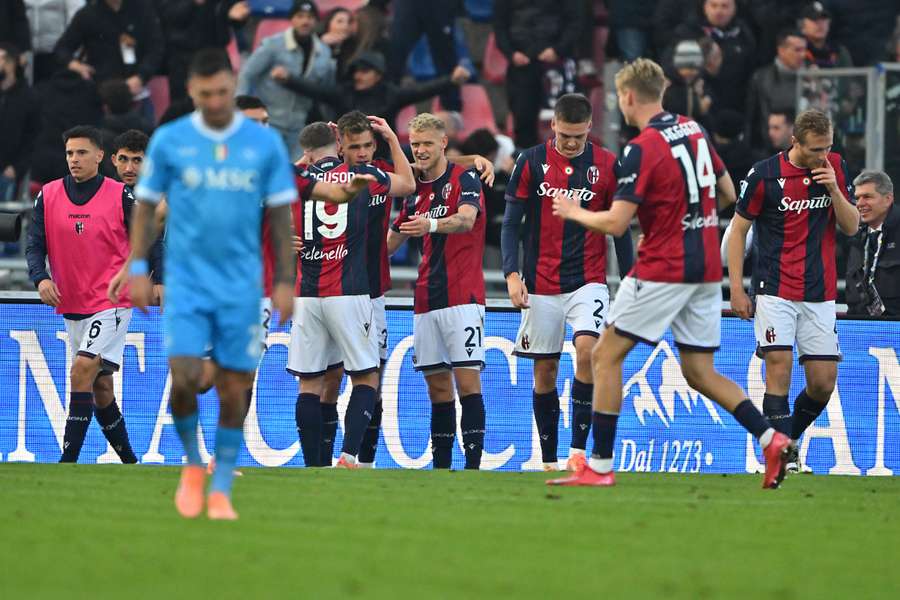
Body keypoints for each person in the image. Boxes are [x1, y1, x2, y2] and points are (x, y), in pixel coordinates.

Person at [110, 48, 371, 520]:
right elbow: (156, 209)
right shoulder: (175, 144)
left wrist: (346, 190)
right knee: (196, 379)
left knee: (238, 379)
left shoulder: (267, 156)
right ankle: (195, 454)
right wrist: (133, 265)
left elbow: (317, 192)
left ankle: (219, 465)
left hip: (249, 287)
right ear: (196, 95)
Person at [547, 58, 793, 489]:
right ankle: (771, 437)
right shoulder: (694, 129)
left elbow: (617, 223)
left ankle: (599, 467)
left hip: (664, 268)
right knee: (699, 372)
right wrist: (683, 221)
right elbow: (727, 191)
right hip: (703, 266)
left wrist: (575, 211)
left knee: (604, 357)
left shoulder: (640, 147)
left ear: (626, 96)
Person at [502, 93, 634, 472]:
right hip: (540, 283)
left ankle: (577, 452)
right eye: (565, 136)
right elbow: (511, 224)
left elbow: (620, 230)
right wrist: (512, 273)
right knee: (545, 373)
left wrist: (630, 279)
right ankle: (548, 459)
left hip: (588, 280)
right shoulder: (529, 161)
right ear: (553, 126)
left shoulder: (608, 164)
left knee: (588, 353)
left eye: (578, 136)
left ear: (589, 128)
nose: (572, 143)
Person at [727, 108, 859, 473]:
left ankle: (785, 443)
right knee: (779, 370)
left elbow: (850, 227)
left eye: (827, 147)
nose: (822, 155)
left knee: (822, 383)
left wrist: (833, 187)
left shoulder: (834, 167)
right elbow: (738, 232)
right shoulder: (764, 175)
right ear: (795, 141)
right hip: (775, 289)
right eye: (816, 149)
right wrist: (737, 288)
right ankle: (781, 460)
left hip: (819, 292)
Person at [288, 110, 415, 469]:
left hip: (307, 295)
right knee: (365, 377)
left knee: (309, 385)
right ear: (339, 144)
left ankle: (315, 467)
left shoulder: (295, 176)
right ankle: (348, 456)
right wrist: (392, 138)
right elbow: (408, 185)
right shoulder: (365, 174)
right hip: (351, 290)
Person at [25, 125, 142, 465]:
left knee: (81, 370)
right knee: (100, 388)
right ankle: (130, 463)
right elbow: (34, 245)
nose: (74, 160)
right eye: (69, 153)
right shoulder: (48, 195)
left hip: (112, 301)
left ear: (100, 156)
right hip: (71, 302)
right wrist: (40, 278)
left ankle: (68, 460)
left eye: (81, 153)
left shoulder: (121, 195)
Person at [387, 112, 487, 469]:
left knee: (467, 383)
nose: (421, 150)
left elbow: (466, 220)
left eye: (427, 143)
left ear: (443, 142)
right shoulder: (412, 191)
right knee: (437, 390)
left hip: (463, 297)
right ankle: (441, 468)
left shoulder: (466, 178)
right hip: (426, 298)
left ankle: (473, 468)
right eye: (415, 144)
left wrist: (429, 224)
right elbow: (389, 243)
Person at [236, 0, 335, 161]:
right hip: (269, 121)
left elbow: (325, 91)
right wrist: (239, 106)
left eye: (310, 17)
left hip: (300, 127)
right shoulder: (273, 45)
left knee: (297, 174)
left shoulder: (323, 52)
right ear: (292, 19)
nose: (305, 21)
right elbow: (247, 74)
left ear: (316, 21)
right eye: (300, 16)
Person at [493, 0, 582, 148]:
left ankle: (567, 162)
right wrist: (511, 53)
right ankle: (526, 162)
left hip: (557, 64)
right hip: (522, 63)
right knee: (523, 117)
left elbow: (575, 21)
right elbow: (499, 25)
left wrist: (558, 50)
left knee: (567, 118)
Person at [53, 0, 164, 117]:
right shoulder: (87, 14)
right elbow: (62, 48)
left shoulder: (142, 10)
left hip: (136, 93)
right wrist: (75, 65)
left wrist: (141, 76)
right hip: (100, 95)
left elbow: (156, 48)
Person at [845, 171, 899, 316]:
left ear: (888, 199)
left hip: (895, 329)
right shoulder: (857, 236)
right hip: (862, 329)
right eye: (857, 198)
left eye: (867, 197)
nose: (860, 204)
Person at [746, 29, 807, 152]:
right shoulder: (761, 78)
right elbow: (752, 117)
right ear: (781, 50)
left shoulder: (812, 77)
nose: (802, 55)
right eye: (797, 50)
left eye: (804, 49)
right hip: (770, 150)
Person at [0, 43, 40, 201]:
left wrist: (17, 167)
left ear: (12, 63)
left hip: (7, 171)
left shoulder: (28, 98)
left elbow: (33, 137)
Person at [799, 2, 852, 68]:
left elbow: (848, 77)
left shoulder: (839, 52)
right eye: (814, 19)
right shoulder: (797, 51)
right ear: (803, 26)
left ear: (829, 24)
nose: (820, 24)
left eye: (823, 19)